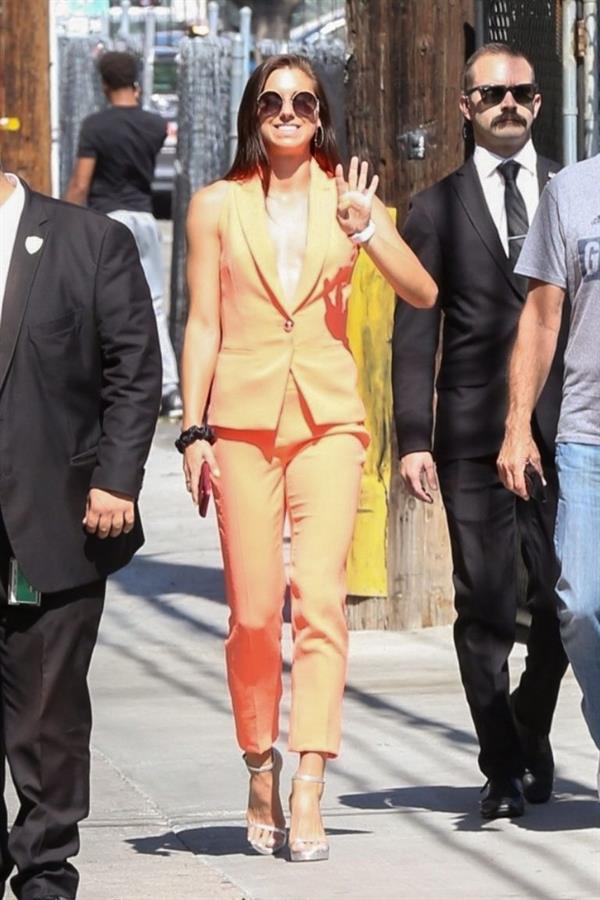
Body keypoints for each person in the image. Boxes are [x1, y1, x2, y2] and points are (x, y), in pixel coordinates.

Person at [179, 53, 436, 861]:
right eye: (272, 101)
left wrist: (370, 230)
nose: (287, 112)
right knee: (255, 614)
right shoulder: (216, 206)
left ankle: (310, 782)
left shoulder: (350, 199)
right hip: (243, 424)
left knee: (319, 605)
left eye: (303, 101)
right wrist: (193, 430)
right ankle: (260, 759)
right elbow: (202, 325)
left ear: (322, 115)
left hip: (329, 422)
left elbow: (423, 291)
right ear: (253, 113)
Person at [392, 43, 569, 820]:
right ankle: (501, 767)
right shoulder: (432, 209)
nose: (508, 103)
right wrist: (412, 436)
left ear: (538, 102)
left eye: (522, 92)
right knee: (488, 603)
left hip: (568, 430)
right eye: (491, 92)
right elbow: (413, 329)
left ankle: (528, 719)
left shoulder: (575, 196)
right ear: (465, 106)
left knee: (572, 604)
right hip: (467, 436)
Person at [0, 164, 161, 899]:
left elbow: (134, 369)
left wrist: (117, 478)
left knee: (46, 713)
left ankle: (44, 869)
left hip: (54, 513)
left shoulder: (87, 241)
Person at [498, 152, 600, 799]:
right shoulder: (572, 190)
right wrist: (516, 426)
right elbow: (540, 315)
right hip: (586, 436)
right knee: (581, 606)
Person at [64, 50, 182, 420]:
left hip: (106, 220)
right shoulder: (154, 125)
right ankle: (169, 388)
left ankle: (101, 383)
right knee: (154, 304)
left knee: (101, 304)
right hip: (143, 217)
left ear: (102, 83)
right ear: (136, 80)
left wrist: (64, 220)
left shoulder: (95, 126)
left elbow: (81, 183)